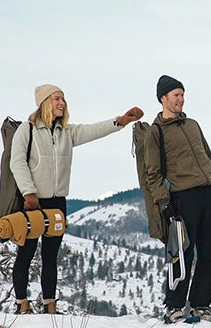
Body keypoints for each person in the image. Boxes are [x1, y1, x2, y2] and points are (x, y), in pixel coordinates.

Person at [10, 84, 143, 314]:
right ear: (44, 103)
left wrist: (120, 121)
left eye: (63, 99)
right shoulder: (27, 130)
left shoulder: (66, 132)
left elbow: (92, 131)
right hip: (32, 202)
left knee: (51, 257)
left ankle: (49, 305)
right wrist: (28, 193)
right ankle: (22, 303)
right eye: (56, 99)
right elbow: (17, 162)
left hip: (57, 202)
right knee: (26, 253)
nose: (61, 103)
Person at [145, 75, 211, 323]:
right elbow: (153, 173)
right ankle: (174, 308)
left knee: (209, 253)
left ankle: (201, 306)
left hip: (209, 194)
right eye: (176, 95)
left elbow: (208, 159)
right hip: (183, 197)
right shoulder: (156, 132)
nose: (181, 99)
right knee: (182, 255)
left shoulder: (193, 125)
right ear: (163, 98)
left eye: (182, 94)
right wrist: (164, 202)